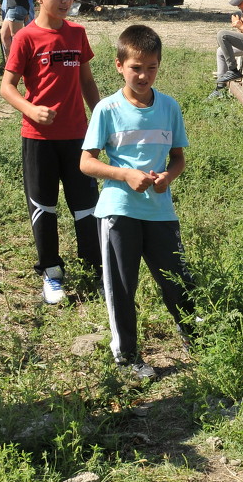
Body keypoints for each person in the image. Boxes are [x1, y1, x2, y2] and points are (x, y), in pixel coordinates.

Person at [80, 25, 196, 380]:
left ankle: (195, 335)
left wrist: (168, 177)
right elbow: (87, 162)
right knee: (122, 285)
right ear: (119, 65)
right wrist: (125, 174)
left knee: (177, 279)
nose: (143, 75)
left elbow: (178, 157)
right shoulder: (107, 109)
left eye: (151, 67)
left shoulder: (169, 108)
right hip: (119, 211)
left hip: (160, 211)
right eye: (136, 67)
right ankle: (127, 355)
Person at [0, 0, 102, 304]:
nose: (66, 0)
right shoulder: (26, 37)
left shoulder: (77, 33)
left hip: (78, 138)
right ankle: (52, 272)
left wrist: (101, 118)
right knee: (44, 208)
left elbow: (87, 82)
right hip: (39, 139)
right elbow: (7, 87)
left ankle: (95, 270)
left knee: (87, 208)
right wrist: (30, 109)